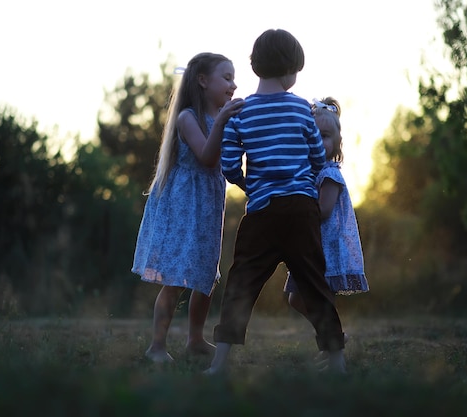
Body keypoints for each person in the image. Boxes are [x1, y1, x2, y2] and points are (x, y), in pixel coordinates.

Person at [204, 29, 346, 375]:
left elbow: (228, 165)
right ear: (288, 70)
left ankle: (219, 364)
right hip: (300, 210)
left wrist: (250, 185)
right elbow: (317, 158)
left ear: (256, 67)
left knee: (242, 283)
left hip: (262, 213)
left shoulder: (240, 112)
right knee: (314, 283)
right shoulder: (301, 108)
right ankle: (338, 363)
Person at [131, 52, 244, 363]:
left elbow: (228, 159)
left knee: (206, 275)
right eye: (227, 77)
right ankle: (156, 347)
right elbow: (207, 157)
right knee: (177, 276)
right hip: (184, 207)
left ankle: (195, 339)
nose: (233, 85)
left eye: (234, 78)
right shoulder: (188, 118)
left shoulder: (223, 118)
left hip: (208, 206)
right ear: (203, 80)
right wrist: (223, 120)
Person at [284, 98, 369, 365]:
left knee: (320, 302)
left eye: (326, 136)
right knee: (295, 299)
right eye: (313, 135)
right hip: (308, 248)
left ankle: (334, 351)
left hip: (326, 252)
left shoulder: (329, 175)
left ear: (336, 144)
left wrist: (296, 209)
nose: (319, 141)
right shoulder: (307, 173)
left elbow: (324, 211)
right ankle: (332, 337)